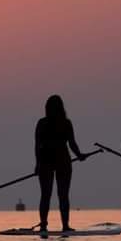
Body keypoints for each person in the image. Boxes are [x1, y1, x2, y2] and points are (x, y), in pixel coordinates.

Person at [34, 94, 89, 233]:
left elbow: (37, 146)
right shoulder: (65, 122)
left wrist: (38, 163)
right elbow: (72, 144)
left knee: (46, 195)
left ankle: (44, 225)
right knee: (62, 195)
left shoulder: (43, 123)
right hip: (60, 162)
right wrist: (79, 155)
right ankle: (64, 225)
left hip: (50, 162)